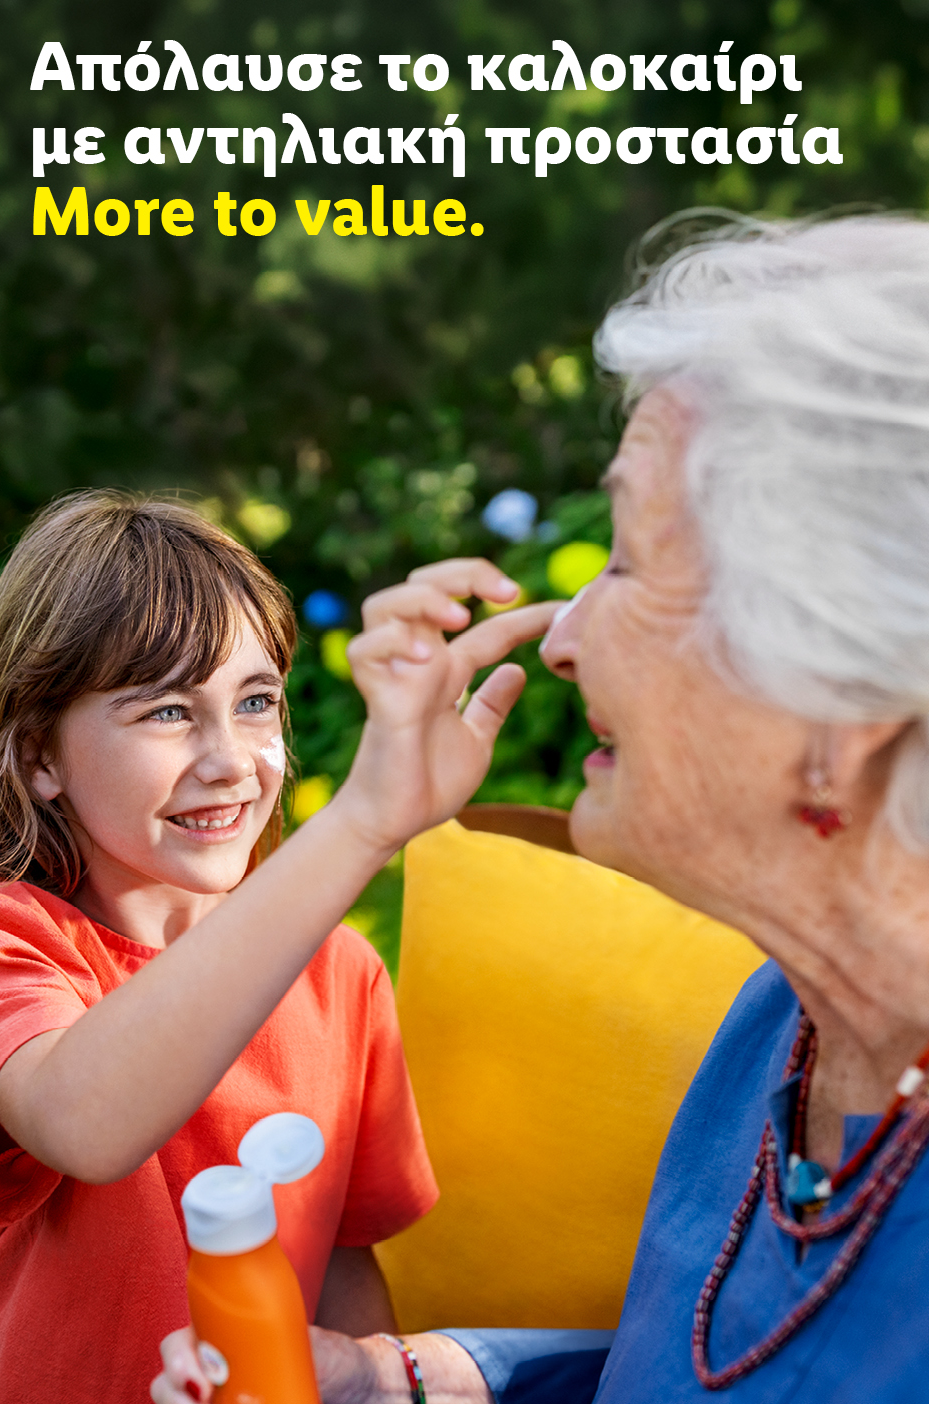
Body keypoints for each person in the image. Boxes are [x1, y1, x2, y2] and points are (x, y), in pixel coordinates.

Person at [153, 210, 929, 1403]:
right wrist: (406, 1380)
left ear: (841, 708)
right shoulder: (784, 1016)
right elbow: (692, 1370)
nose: (562, 640)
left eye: (625, 560)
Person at [0, 492, 556, 1403]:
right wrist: (364, 821)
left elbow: (340, 1264)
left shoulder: (342, 977)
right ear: (38, 757)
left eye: (256, 701)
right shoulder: (13, 944)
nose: (231, 758)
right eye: (168, 712)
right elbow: (83, 1123)